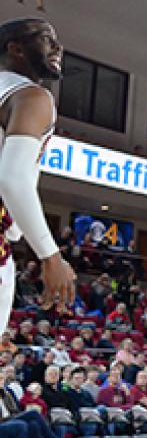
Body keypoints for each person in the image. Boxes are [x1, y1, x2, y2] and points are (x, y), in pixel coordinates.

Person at [0, 18, 76, 335]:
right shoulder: (31, 96)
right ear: (15, 49)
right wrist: (50, 256)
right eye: (46, 39)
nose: (58, 47)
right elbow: (12, 179)